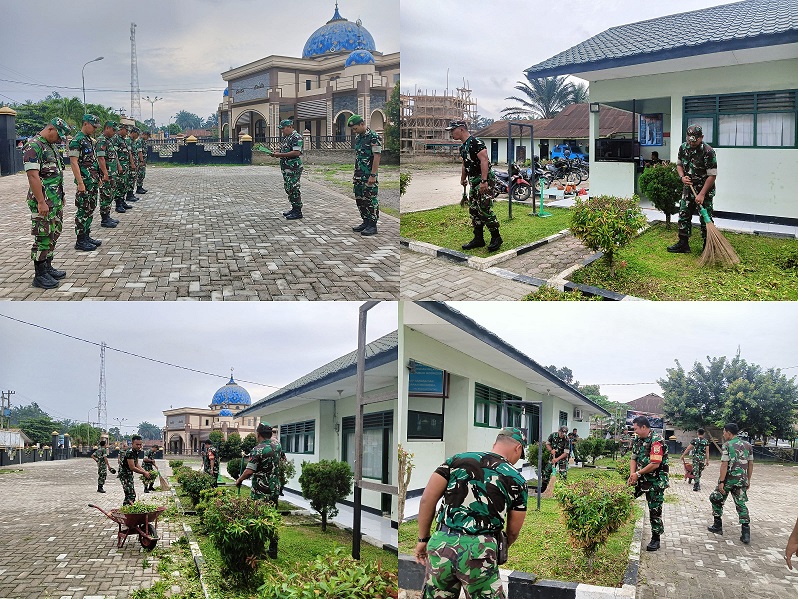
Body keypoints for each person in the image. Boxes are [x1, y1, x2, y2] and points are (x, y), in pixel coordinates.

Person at [415, 427, 528, 598]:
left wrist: (423, 539)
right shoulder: (517, 479)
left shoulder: (456, 460)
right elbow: (513, 531)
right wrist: (497, 548)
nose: (518, 460)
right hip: (480, 550)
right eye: (520, 455)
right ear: (518, 448)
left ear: (495, 444)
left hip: (442, 543)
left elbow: (426, 500)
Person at [24, 117, 73, 289]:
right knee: (43, 236)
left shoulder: (51, 145)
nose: (60, 139)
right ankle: (39, 275)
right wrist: (40, 201)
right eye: (59, 135)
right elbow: (33, 176)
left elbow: (55, 174)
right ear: (51, 129)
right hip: (43, 201)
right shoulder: (34, 145)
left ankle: (47, 266)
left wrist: (61, 196)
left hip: (55, 199)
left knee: (54, 232)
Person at [447, 120, 502, 252]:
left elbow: (484, 160)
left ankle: (496, 237)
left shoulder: (476, 143)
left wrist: (484, 181)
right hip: (474, 181)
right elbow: (465, 164)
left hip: (484, 180)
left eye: (452, 130)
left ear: (461, 129)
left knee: (484, 209)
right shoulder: (463, 147)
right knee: (474, 210)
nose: (451, 133)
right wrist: (463, 178)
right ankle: (478, 239)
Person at [667, 124, 718, 253]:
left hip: (704, 190)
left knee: (705, 217)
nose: (692, 143)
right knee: (684, 214)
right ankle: (683, 244)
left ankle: (708, 246)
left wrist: (701, 194)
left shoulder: (708, 151)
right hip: (688, 188)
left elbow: (712, 175)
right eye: (690, 140)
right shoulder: (683, 147)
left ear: (701, 137)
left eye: (695, 141)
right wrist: (682, 177)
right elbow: (679, 165)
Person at [235, 423, 282, 558]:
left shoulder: (257, 450)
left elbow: (250, 470)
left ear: (258, 434)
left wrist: (239, 480)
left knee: (258, 519)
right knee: (273, 518)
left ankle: (260, 550)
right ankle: (273, 550)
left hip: (261, 491)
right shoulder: (277, 446)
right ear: (270, 434)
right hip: (274, 489)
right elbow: (274, 444)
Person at [707, 422, 753, 544]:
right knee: (741, 505)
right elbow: (750, 464)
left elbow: (724, 464)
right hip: (742, 480)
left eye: (724, 432)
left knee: (716, 498)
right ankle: (746, 533)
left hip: (728, 480)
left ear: (728, 432)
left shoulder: (727, 445)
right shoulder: (748, 445)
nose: (723, 434)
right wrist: (748, 479)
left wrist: (721, 482)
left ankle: (717, 525)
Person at [628, 415, 669, 551]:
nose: (635, 432)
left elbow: (655, 464)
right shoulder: (637, 439)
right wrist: (632, 474)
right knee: (625, 495)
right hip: (641, 478)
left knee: (655, 510)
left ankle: (656, 539)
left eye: (636, 429)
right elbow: (633, 457)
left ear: (644, 427)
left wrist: (637, 474)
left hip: (655, 481)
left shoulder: (657, 441)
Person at [69, 114, 103, 252]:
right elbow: (73, 162)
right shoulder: (76, 140)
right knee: (83, 210)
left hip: (92, 181)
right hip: (85, 182)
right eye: (93, 126)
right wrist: (80, 182)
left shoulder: (89, 140)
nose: (95, 129)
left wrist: (98, 177)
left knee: (90, 208)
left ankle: (87, 236)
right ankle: (80, 240)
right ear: (85, 123)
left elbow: (93, 161)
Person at [348, 114, 382, 236]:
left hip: (369, 175)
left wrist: (373, 175)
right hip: (358, 175)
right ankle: (365, 221)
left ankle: (372, 225)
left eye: (355, 128)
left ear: (362, 124)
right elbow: (358, 158)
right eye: (353, 129)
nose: (354, 131)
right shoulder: (359, 138)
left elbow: (377, 156)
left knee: (370, 199)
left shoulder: (373, 137)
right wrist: (355, 173)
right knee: (360, 200)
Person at [270, 119, 304, 220]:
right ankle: (294, 208)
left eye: (283, 128)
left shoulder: (296, 137)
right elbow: (285, 150)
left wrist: (279, 155)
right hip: (286, 168)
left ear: (290, 126)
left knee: (294, 188)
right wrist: (276, 152)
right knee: (288, 188)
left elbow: (296, 152)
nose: (282, 131)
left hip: (293, 167)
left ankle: (298, 211)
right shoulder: (287, 138)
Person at [95, 121, 121, 228]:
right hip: (107, 175)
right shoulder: (101, 141)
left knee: (110, 194)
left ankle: (108, 216)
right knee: (105, 195)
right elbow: (100, 158)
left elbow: (113, 156)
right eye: (113, 130)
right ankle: (104, 219)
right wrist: (105, 174)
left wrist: (118, 166)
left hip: (112, 173)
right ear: (107, 128)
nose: (115, 132)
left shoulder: (108, 141)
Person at [118, 435, 155, 506]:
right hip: (124, 474)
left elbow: (137, 464)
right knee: (130, 494)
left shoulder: (136, 452)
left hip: (129, 474)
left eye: (140, 444)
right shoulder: (130, 452)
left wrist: (145, 471)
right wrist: (144, 472)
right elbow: (132, 467)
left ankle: (127, 510)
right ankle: (127, 510)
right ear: (132, 444)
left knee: (130, 494)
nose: (139, 446)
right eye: (137, 444)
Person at [540, 425, 570, 492]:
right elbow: (547, 444)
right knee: (547, 471)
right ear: (559, 431)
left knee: (563, 473)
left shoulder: (566, 439)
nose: (563, 435)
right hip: (553, 455)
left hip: (562, 457)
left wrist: (557, 459)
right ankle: (543, 488)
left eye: (564, 433)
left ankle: (563, 489)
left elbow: (566, 453)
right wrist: (551, 450)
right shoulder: (552, 435)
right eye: (561, 433)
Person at [113, 124, 134, 212]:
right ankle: (118, 205)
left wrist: (131, 164)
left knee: (124, 184)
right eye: (126, 131)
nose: (127, 133)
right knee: (119, 185)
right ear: (121, 129)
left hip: (125, 167)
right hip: (120, 167)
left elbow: (128, 153)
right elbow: (114, 153)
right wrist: (119, 165)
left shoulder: (123, 139)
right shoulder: (116, 139)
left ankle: (122, 201)